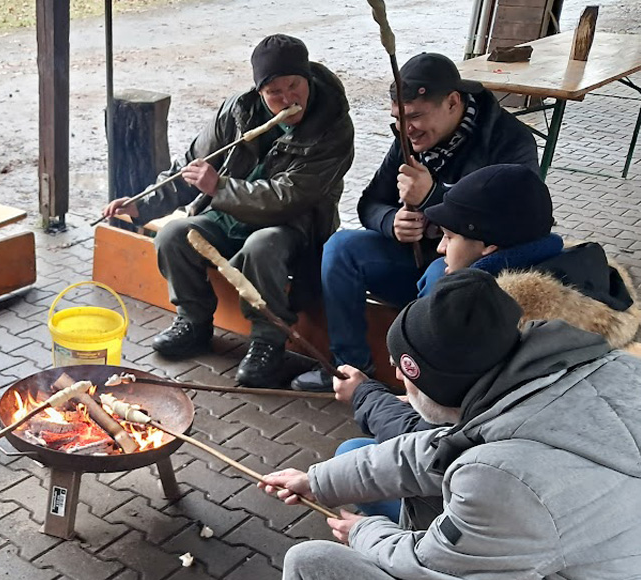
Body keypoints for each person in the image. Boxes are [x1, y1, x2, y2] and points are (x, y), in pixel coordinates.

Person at [264, 269, 641, 579]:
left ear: (438, 385)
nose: (393, 370)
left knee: (311, 562)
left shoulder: (504, 480)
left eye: (402, 364)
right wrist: (315, 481)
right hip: (562, 544)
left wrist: (363, 532)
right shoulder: (560, 376)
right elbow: (431, 450)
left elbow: (428, 566)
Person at [100, 34, 355, 388]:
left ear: (307, 78)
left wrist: (218, 187)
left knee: (261, 247)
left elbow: (288, 197)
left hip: (294, 225)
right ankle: (194, 322)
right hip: (229, 213)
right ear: (260, 91)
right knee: (174, 235)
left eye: (294, 86)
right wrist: (141, 203)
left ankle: (268, 342)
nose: (287, 100)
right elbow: (192, 166)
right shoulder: (237, 111)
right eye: (274, 92)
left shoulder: (334, 125)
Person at [339, 164, 638, 446]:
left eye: (449, 237)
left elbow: (445, 445)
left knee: (352, 452)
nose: (441, 248)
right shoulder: (587, 280)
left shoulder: (499, 325)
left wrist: (366, 396)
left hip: (505, 475)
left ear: (488, 246)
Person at [293, 52, 539, 392]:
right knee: (340, 248)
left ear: (453, 102)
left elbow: (515, 222)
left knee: (440, 276)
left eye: (416, 116)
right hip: (410, 259)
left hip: (474, 272)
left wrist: (435, 195)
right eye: (397, 119)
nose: (405, 129)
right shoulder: (408, 140)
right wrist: (390, 221)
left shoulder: (511, 141)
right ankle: (349, 369)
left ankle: (427, 386)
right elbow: (369, 203)